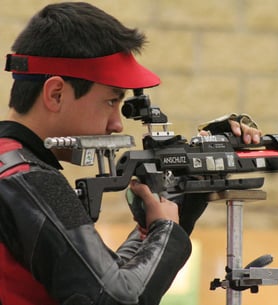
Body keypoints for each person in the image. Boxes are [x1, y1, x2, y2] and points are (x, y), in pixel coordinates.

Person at [0, 2, 261, 305]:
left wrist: (163, 217)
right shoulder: (36, 183)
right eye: (111, 101)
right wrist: (167, 231)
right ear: (56, 94)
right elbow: (117, 298)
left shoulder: (15, 169)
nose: (117, 123)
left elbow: (101, 277)